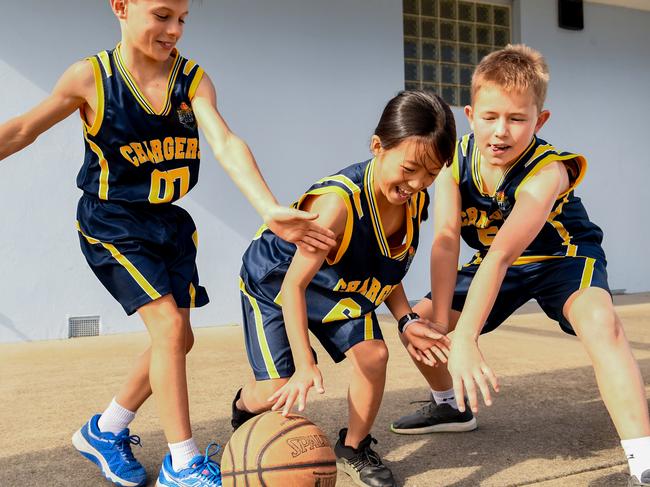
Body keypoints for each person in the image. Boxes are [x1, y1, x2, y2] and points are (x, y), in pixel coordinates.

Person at [0, 1, 338, 486]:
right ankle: (182, 463)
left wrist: (268, 207)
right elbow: (22, 130)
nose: (175, 29)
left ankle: (105, 430)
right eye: (162, 15)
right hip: (112, 220)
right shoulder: (91, 78)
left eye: (182, 18)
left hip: (169, 223)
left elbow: (223, 140)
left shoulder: (192, 79)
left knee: (181, 339)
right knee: (167, 332)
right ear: (120, 5)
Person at [389, 44, 650, 486]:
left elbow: (503, 253)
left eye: (517, 119)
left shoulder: (549, 171)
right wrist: (440, 321)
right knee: (420, 323)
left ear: (540, 120)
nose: (501, 132)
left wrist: (469, 338)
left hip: (560, 257)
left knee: (603, 323)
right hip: (496, 264)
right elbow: (448, 239)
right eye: (490, 117)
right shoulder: (453, 159)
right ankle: (450, 406)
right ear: (470, 114)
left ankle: (642, 461)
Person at [230, 90, 457, 487]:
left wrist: (405, 320)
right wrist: (305, 364)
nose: (418, 182)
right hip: (277, 281)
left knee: (374, 356)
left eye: (432, 173)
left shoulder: (412, 199)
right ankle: (242, 405)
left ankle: (353, 447)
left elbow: (387, 266)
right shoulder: (337, 205)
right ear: (377, 146)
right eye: (409, 168)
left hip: (338, 282)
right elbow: (294, 286)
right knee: (277, 389)